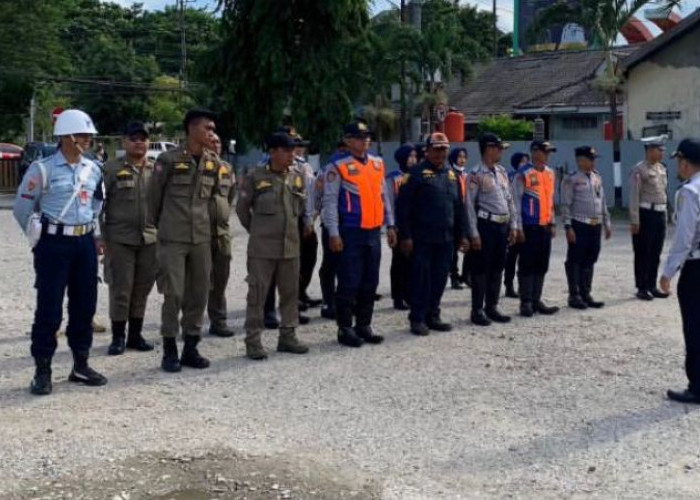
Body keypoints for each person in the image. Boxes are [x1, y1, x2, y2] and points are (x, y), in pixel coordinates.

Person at [13, 109, 107, 395]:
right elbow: (22, 209)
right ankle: (43, 370)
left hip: (84, 243)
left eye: (90, 135)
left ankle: (80, 364)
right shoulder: (42, 169)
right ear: (67, 137)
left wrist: (95, 233)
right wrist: (39, 240)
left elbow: (98, 202)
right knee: (49, 309)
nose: (88, 140)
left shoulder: (93, 169)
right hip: (54, 245)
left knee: (84, 305)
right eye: (82, 135)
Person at [149, 108, 222, 372]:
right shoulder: (168, 160)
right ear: (191, 129)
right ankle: (170, 349)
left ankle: (191, 346)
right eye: (207, 128)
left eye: (213, 129)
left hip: (201, 237)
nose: (211, 133)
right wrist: (163, 229)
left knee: (199, 293)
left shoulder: (213, 162)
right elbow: (153, 199)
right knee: (174, 293)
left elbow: (216, 197)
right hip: (173, 238)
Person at [322, 120, 397, 347]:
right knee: (349, 282)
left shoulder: (377, 164)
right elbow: (330, 202)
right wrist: (333, 233)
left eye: (367, 136)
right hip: (351, 232)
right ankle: (345, 328)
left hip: (373, 232)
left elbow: (384, 197)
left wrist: (391, 225)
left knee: (370, 281)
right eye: (359, 136)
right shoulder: (337, 166)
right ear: (348, 140)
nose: (365, 140)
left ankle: (363, 325)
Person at [236, 132, 309, 360]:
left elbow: (301, 207)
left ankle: (288, 336)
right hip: (262, 249)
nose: (292, 155)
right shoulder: (255, 176)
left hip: (290, 247)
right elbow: (242, 209)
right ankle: (253, 341)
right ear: (273, 152)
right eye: (287, 150)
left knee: (290, 294)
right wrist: (257, 231)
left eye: (293, 150)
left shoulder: (297, 176)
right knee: (257, 295)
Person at [397, 133, 469, 336]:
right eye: (436, 149)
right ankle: (417, 318)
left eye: (444, 149)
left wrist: (462, 234)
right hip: (422, 238)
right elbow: (403, 209)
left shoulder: (451, 175)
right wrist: (406, 236)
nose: (440, 153)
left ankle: (433, 314)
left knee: (439, 278)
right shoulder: (415, 175)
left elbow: (459, 207)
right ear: (427, 151)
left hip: (446, 237)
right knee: (421, 279)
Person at [101, 121, 157, 355]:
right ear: (125, 142)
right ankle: (118, 337)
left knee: (142, 289)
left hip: (150, 239)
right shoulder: (110, 169)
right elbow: (98, 205)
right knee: (121, 290)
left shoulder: (156, 170)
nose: (139, 142)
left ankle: (135, 335)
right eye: (134, 138)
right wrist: (101, 237)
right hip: (120, 239)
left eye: (143, 139)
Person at [661, 138, 700, 404]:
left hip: (696, 268)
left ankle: (697, 386)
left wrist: (668, 271)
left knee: (695, 327)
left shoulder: (690, 192)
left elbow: (684, 237)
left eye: (678, 160)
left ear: (685, 162)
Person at [467, 133, 517, 326]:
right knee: (481, 270)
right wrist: (473, 233)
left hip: (502, 225)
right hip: (485, 225)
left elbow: (510, 200)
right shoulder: (475, 174)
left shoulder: (502, 172)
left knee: (498, 267)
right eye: (499, 148)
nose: (502, 151)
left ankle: (492, 306)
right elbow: (469, 206)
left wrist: (512, 225)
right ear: (488, 149)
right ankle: (477, 309)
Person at [561, 146, 611, 309]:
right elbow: (566, 205)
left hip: (595, 224)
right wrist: (568, 227)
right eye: (591, 159)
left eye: (594, 159)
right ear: (581, 161)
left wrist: (607, 223)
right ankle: (574, 295)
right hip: (579, 224)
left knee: (590, 259)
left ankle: (586, 293)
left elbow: (602, 201)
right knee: (575, 260)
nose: (594, 162)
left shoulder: (597, 177)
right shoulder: (571, 179)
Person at [513, 141, 559, 317]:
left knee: (542, 264)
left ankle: (536, 299)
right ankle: (525, 302)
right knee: (527, 264)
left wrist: (553, 222)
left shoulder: (550, 173)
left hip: (545, 226)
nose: (548, 156)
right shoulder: (523, 174)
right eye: (545, 152)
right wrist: (517, 227)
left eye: (549, 152)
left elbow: (551, 200)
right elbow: (515, 202)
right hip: (529, 226)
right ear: (534, 152)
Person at [629, 135, 670, 301]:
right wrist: (635, 220)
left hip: (660, 213)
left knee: (656, 251)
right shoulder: (639, 170)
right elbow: (634, 195)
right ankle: (642, 287)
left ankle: (652, 285)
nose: (662, 153)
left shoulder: (662, 168)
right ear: (650, 150)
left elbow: (663, 193)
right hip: (646, 214)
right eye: (659, 150)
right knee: (643, 252)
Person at [207, 133, 237, 337]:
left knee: (220, 280)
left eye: (218, 141)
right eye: (212, 141)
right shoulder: (195, 165)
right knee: (196, 282)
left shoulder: (227, 168)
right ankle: (188, 323)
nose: (216, 144)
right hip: (199, 232)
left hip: (222, 233)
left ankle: (218, 321)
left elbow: (230, 196)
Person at [316, 141, 349, 320]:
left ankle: (344, 300)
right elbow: (320, 196)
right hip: (331, 224)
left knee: (348, 265)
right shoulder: (328, 169)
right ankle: (328, 302)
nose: (344, 151)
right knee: (330, 264)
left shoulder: (358, 166)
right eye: (342, 147)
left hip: (351, 224)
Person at [386, 143, 417, 310]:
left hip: (415, 226)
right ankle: (398, 297)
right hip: (399, 226)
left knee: (413, 262)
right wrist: (391, 226)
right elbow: (389, 203)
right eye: (410, 156)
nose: (413, 159)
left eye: (414, 156)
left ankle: (410, 294)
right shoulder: (393, 178)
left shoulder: (416, 176)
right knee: (399, 262)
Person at [504, 152, 530, 298]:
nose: (525, 164)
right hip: (512, 221)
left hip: (526, 222)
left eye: (527, 161)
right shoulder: (510, 176)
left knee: (525, 257)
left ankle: (522, 286)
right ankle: (509, 286)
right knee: (511, 257)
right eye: (522, 161)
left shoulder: (529, 176)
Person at [447, 146, 469, 290]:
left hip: (467, 215)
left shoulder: (466, 175)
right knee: (454, 249)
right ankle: (454, 277)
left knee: (470, 247)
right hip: (454, 217)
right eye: (459, 157)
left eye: (464, 157)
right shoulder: (450, 175)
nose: (462, 160)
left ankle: (466, 276)